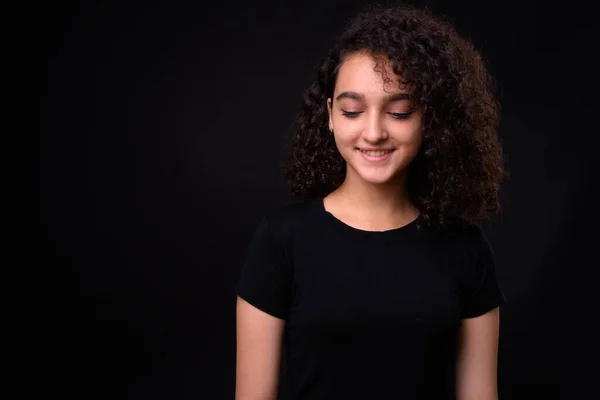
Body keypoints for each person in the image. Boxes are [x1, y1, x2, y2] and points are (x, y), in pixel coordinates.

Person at [235, 3, 507, 399]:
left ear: (429, 118)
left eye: (398, 112)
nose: (374, 131)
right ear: (330, 115)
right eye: (352, 111)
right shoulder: (280, 241)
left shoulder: (465, 249)